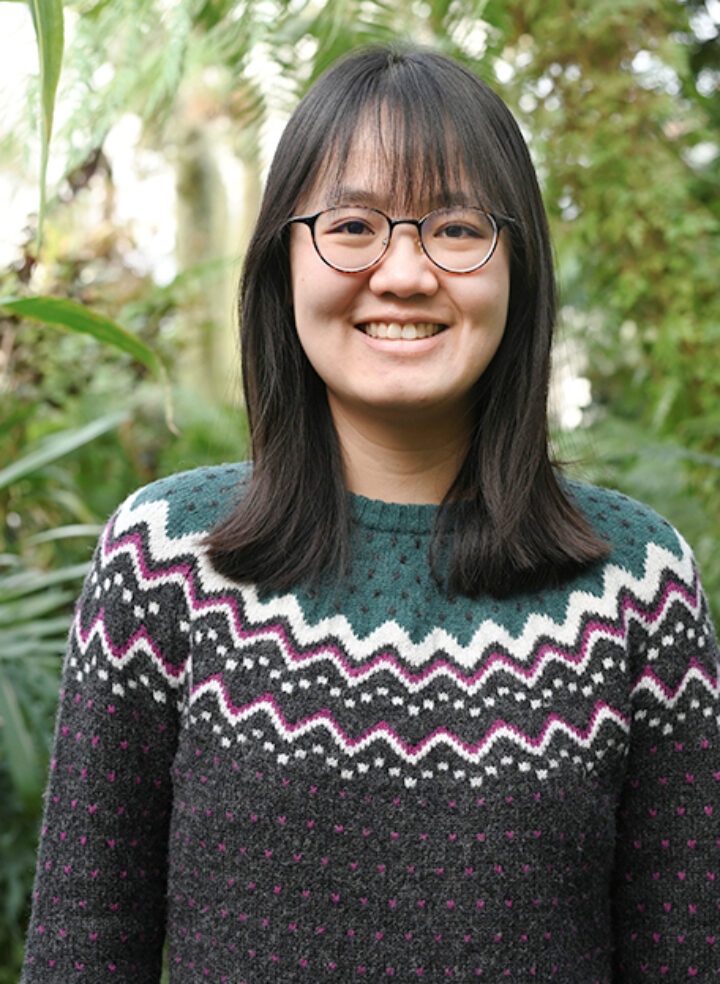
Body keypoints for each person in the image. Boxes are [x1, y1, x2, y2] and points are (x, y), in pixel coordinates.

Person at [21, 44, 719, 984]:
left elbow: (686, 952)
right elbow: (83, 944)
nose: (403, 272)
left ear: (519, 267)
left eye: (457, 227)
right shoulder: (163, 561)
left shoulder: (637, 582)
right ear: (283, 262)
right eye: (351, 225)